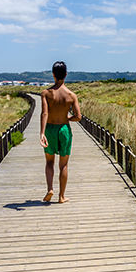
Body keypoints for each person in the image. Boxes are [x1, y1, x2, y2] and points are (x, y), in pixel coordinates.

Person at [40, 61, 81, 203]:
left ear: (53, 75)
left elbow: (44, 114)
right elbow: (78, 116)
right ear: (65, 74)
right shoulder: (71, 95)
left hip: (50, 128)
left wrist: (42, 133)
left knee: (49, 162)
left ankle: (50, 188)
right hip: (64, 129)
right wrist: (68, 118)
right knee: (63, 164)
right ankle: (61, 196)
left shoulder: (46, 93)